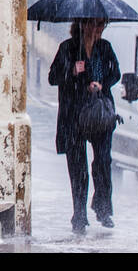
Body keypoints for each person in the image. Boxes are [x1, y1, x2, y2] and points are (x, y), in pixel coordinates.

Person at [48, 18, 120, 234]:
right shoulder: (68, 48)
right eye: (95, 25)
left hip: (99, 114)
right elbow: (53, 78)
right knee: (78, 169)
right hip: (74, 117)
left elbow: (115, 72)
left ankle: (103, 208)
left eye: (102, 26)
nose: (98, 30)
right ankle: (79, 214)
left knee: (103, 162)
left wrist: (101, 84)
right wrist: (72, 71)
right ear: (83, 25)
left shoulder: (104, 48)